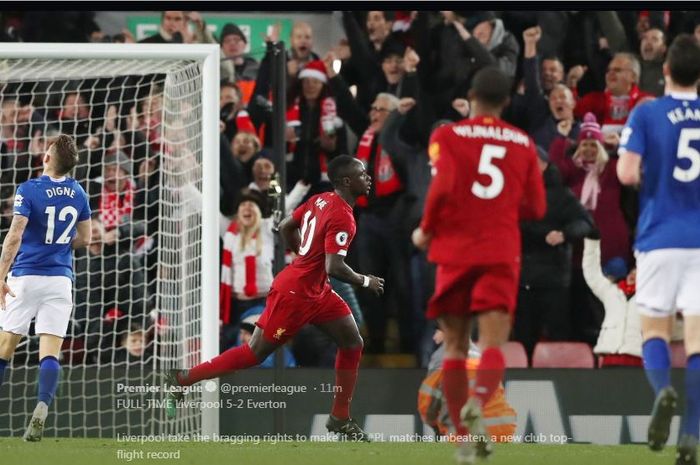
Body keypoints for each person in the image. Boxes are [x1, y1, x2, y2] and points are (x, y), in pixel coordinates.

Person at [164, 155, 384, 441]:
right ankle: (182, 379)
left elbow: (286, 228)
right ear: (346, 181)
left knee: (353, 342)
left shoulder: (321, 199)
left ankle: (339, 417)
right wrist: (366, 280)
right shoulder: (343, 216)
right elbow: (334, 266)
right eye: (362, 173)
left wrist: (304, 259)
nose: (367, 177)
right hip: (294, 295)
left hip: (316, 291)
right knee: (254, 353)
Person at [412, 66, 546, 463]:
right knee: (491, 343)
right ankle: (481, 402)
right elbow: (537, 207)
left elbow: (441, 189)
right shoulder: (522, 143)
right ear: (507, 102)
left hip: (454, 251)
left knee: (453, 346)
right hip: (500, 251)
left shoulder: (447, 136)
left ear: (471, 96)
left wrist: (425, 230)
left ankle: (463, 440)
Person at [618, 34, 700, 464]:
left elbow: (627, 173)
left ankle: (662, 390)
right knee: (698, 342)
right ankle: (692, 434)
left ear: (665, 70)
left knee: (653, 331)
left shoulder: (647, 112)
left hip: (659, 236)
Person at [0, 135, 92, 441]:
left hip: (25, 277)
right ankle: (42, 406)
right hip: (60, 280)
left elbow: (14, 237)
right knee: (50, 352)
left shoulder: (29, 189)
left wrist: (1, 275)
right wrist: (61, 245)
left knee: (4, 348)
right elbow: (86, 239)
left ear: (47, 159)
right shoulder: (79, 192)